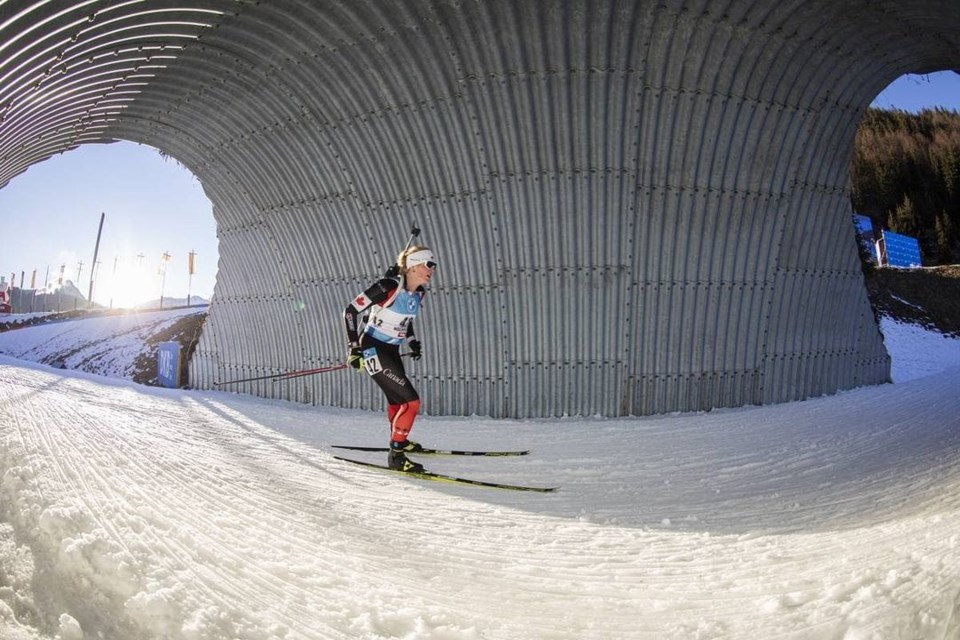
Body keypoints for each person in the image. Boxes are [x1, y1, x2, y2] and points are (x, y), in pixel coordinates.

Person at [343, 245, 437, 472]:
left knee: (397, 401)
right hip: (373, 347)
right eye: (428, 264)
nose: (432, 270)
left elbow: (406, 319)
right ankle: (396, 456)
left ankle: (400, 441)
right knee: (411, 402)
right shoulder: (388, 287)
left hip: (392, 350)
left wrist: (412, 341)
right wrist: (354, 347)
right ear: (414, 266)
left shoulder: (418, 293)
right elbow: (350, 311)